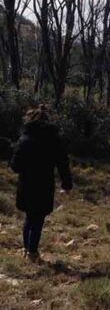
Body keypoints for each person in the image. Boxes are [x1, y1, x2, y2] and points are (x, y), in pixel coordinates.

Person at [9, 105, 72, 262]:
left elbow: (15, 166)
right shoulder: (54, 140)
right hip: (45, 185)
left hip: (26, 184)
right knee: (38, 219)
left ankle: (27, 249)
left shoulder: (25, 140)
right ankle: (33, 251)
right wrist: (66, 183)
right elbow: (63, 163)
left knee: (29, 218)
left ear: (30, 120)